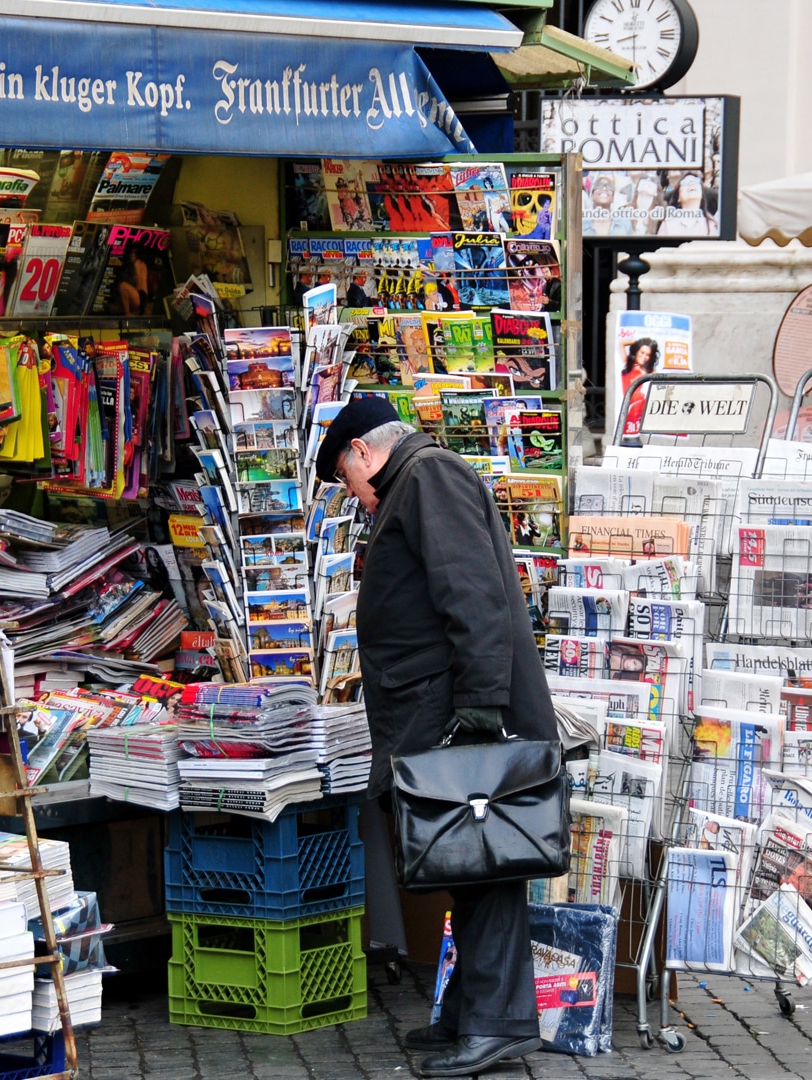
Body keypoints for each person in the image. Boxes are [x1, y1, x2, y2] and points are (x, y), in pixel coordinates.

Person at [315, 398, 559, 1078]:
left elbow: (473, 596)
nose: (350, 493)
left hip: (457, 712)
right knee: (464, 861)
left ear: (365, 451)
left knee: (485, 866)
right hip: (434, 710)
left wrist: (481, 708)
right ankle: (470, 1013)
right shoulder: (414, 484)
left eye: (344, 476)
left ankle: (500, 1023)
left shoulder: (427, 479)